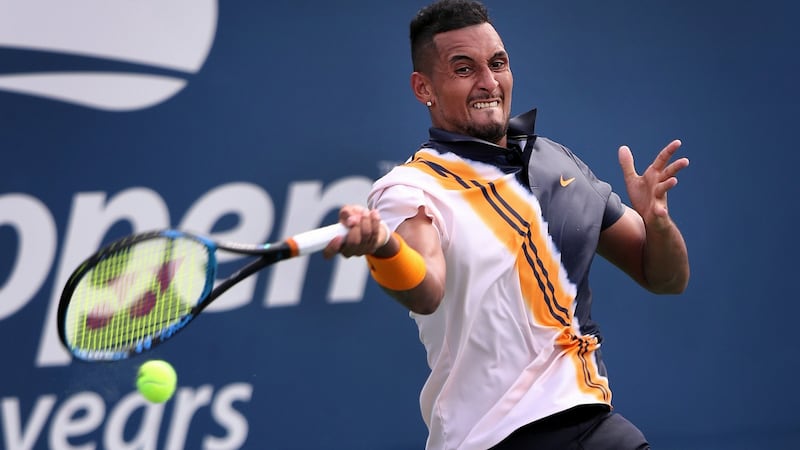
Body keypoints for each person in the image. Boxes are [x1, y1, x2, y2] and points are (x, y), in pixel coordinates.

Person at [323, 0, 690, 448]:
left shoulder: (555, 160)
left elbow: (665, 278)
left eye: (498, 64)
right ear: (424, 88)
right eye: (464, 69)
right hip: (492, 439)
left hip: (593, 422)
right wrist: (384, 247)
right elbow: (425, 288)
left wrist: (658, 222)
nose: (488, 82)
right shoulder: (409, 188)